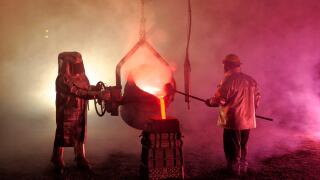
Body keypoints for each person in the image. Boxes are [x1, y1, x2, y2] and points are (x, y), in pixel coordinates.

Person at [51, 52, 110, 174]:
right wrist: (97, 95)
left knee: (80, 133)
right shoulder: (62, 79)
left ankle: (80, 157)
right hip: (66, 110)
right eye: (74, 63)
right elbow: (78, 92)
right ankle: (57, 159)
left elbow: (85, 88)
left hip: (80, 110)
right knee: (62, 134)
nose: (78, 66)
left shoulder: (82, 77)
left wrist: (96, 89)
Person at [205, 54, 260, 176]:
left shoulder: (228, 80)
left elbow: (220, 100)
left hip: (233, 121)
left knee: (232, 146)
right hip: (248, 120)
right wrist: (250, 111)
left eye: (225, 64)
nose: (223, 67)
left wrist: (210, 102)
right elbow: (257, 101)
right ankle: (243, 167)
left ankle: (234, 170)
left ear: (228, 65)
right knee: (243, 145)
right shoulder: (251, 80)